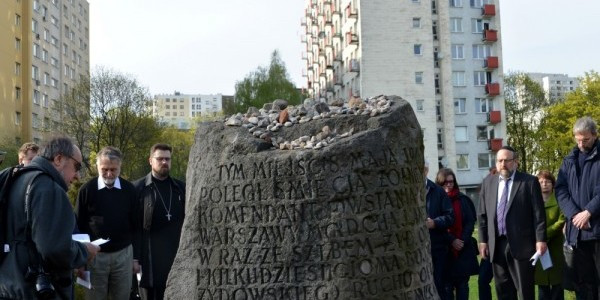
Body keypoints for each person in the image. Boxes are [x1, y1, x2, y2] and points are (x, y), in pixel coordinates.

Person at [0, 136, 100, 299]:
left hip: (9, 286)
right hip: (35, 291)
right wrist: (84, 251)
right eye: (76, 166)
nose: (77, 176)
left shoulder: (16, 178)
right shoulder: (48, 187)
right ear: (59, 159)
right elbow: (54, 249)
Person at [478, 145, 547, 300]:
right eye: (500, 160)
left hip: (522, 245)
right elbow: (482, 214)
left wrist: (541, 239)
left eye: (507, 160)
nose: (503, 164)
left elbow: (539, 214)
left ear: (515, 162)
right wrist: (483, 241)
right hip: (497, 245)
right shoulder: (488, 182)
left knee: (525, 290)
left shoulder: (529, 182)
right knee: (503, 291)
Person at [75, 146, 139, 300]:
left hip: (123, 256)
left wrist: (136, 258)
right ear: (97, 166)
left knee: (122, 297)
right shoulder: (86, 190)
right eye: (104, 169)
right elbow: (78, 225)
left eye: (113, 169)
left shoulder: (130, 190)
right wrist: (80, 260)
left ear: (120, 167)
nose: (109, 174)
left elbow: (136, 224)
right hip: (94, 257)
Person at [555, 116, 600, 299]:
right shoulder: (568, 161)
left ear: (595, 135)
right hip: (578, 233)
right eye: (577, 139)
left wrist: (589, 212)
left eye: (586, 139)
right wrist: (575, 215)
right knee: (583, 284)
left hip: (597, 231)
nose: (581, 144)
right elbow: (560, 190)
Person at [133, 144, 185, 300]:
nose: (164, 162)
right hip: (149, 259)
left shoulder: (181, 188)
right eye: (160, 158)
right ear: (150, 160)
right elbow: (132, 226)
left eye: (167, 159)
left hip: (175, 256)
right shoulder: (137, 188)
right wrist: (135, 257)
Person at [435, 168, 478, 300]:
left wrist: (461, 240)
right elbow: (436, 224)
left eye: (451, 182)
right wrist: (452, 240)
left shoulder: (463, 199)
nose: (448, 185)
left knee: (463, 285)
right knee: (446, 287)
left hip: (462, 250)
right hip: (445, 250)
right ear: (439, 184)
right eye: (445, 182)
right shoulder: (436, 202)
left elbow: (470, 221)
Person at [424, 161, 454, 297]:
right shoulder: (406, 190)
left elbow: (450, 217)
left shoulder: (438, 191)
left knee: (438, 285)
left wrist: (435, 223)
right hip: (416, 249)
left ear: (426, 170)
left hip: (437, 248)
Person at [534, 170, 566, 300]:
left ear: (553, 184)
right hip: (539, 250)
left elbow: (562, 219)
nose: (544, 184)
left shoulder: (560, 200)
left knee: (558, 286)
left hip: (556, 248)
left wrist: (543, 235)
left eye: (547, 181)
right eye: (541, 181)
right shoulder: (533, 202)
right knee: (543, 287)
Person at [478, 167, 497, 300]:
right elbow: (482, 218)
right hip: (490, 246)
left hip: (507, 245)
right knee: (483, 280)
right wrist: (483, 241)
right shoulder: (486, 194)